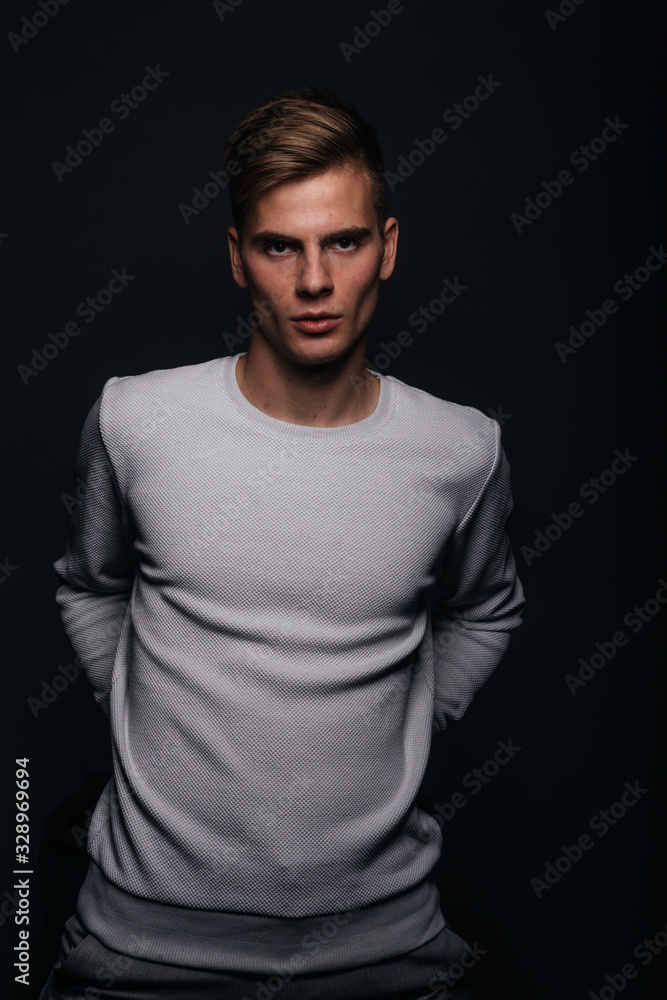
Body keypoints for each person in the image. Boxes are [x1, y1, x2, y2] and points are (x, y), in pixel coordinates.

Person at [40, 87, 526, 1000]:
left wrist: (407, 724)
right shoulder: (133, 420)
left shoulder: (461, 450)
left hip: (383, 957)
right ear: (238, 258)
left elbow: (487, 609)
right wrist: (140, 711)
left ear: (385, 247)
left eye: (341, 242)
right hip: (138, 956)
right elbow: (88, 584)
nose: (313, 281)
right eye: (279, 246)